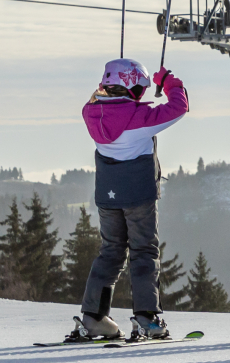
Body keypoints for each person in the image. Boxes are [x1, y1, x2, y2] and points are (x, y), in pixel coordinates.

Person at [69, 58, 189, 341]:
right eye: (140, 89)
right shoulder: (139, 119)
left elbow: (107, 103)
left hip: (107, 196)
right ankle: (147, 318)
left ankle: (94, 317)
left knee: (110, 251)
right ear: (132, 88)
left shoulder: (91, 112)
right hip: (138, 195)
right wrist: (170, 83)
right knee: (143, 252)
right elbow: (178, 108)